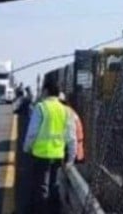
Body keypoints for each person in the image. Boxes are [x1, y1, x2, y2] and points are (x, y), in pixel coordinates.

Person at [23, 79, 76, 214]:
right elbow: (71, 136)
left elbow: (32, 133)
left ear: (46, 91)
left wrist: (27, 147)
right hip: (58, 155)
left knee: (42, 188)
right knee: (54, 187)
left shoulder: (41, 107)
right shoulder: (66, 110)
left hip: (41, 155)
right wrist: (71, 157)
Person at [57, 92, 84, 164]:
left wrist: (70, 161)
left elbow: (71, 138)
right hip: (76, 149)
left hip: (74, 151)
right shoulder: (69, 111)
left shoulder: (65, 112)